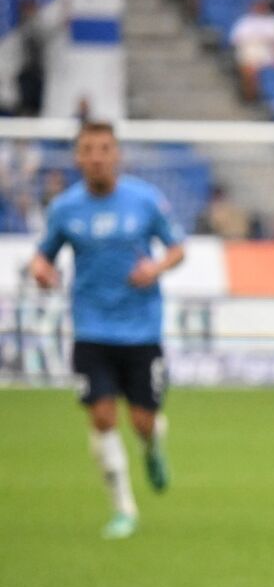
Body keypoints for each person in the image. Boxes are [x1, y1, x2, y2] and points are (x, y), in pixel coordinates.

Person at [30, 121, 184, 539]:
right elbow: (42, 257)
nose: (96, 157)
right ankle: (123, 509)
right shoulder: (65, 208)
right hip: (90, 329)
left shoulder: (145, 201)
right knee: (101, 416)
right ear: (77, 157)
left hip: (141, 330)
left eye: (104, 148)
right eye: (87, 149)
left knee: (142, 422)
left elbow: (177, 248)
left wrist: (155, 268)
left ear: (117, 155)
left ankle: (152, 447)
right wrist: (41, 271)